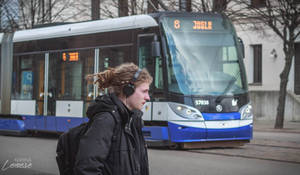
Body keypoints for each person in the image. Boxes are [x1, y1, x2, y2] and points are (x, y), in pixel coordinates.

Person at [74, 63, 153, 175]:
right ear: (127, 90)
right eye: (144, 91)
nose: (148, 97)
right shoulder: (106, 120)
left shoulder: (133, 121)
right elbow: (86, 169)